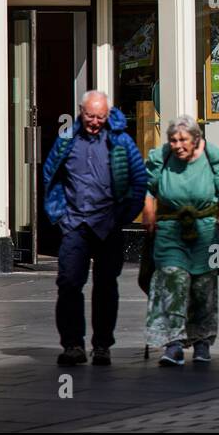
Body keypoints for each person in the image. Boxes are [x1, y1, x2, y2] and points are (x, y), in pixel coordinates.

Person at [41, 91, 148, 367]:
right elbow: (50, 174)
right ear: (81, 111)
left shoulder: (121, 140)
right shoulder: (67, 139)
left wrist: (124, 216)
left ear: (107, 114)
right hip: (75, 224)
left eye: (100, 117)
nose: (95, 122)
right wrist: (59, 214)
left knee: (106, 286)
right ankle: (73, 345)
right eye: (90, 116)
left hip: (108, 225)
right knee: (68, 283)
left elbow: (139, 179)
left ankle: (102, 346)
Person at [142, 115, 219, 366]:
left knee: (203, 286)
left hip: (207, 231)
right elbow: (147, 188)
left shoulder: (213, 157)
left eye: (183, 140)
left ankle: (201, 340)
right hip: (170, 229)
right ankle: (173, 343)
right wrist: (148, 212)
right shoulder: (161, 157)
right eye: (173, 140)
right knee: (172, 279)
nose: (177, 145)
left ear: (196, 139)